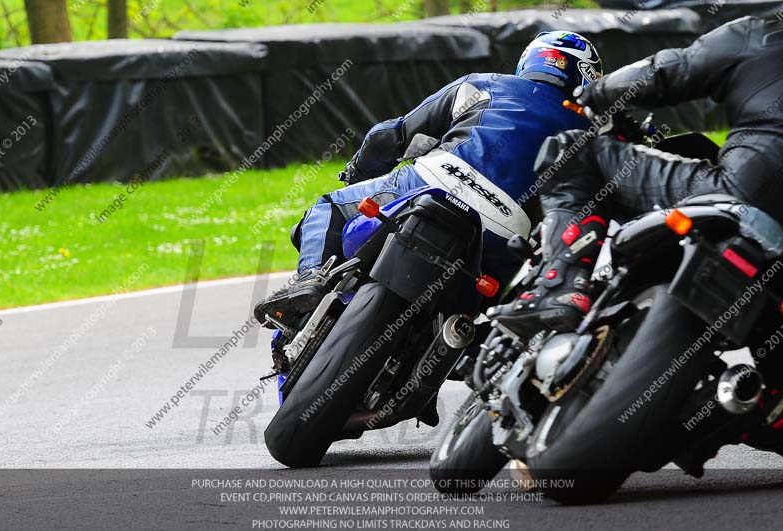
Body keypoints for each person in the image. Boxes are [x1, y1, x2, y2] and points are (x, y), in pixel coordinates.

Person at [254, 31, 603, 327]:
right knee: (483, 316)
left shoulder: (484, 83)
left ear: (529, 61)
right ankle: (457, 355)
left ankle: (310, 279)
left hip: (431, 182)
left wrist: (359, 173)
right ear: (586, 78)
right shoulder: (594, 135)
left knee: (327, 206)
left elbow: (392, 135)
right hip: (504, 231)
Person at [494, 15, 783, 334]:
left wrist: (597, 95)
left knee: (575, 151)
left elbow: (670, 70)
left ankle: (560, 285)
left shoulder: (764, 33)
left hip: (739, 190)